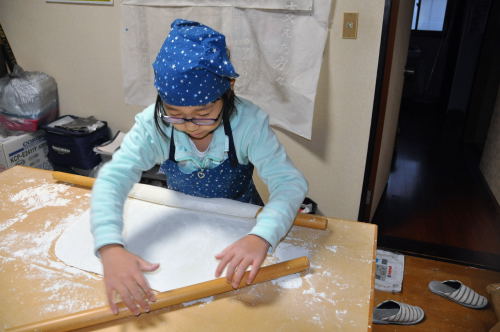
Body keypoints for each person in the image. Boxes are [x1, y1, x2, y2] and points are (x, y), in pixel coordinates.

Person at [91, 18, 308, 315]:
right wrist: (110, 247)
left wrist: (262, 236)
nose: (190, 125)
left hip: (243, 226)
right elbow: (112, 179)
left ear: (229, 88)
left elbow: (289, 184)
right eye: (175, 114)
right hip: (184, 222)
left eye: (203, 113)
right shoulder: (153, 125)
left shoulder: (249, 123)